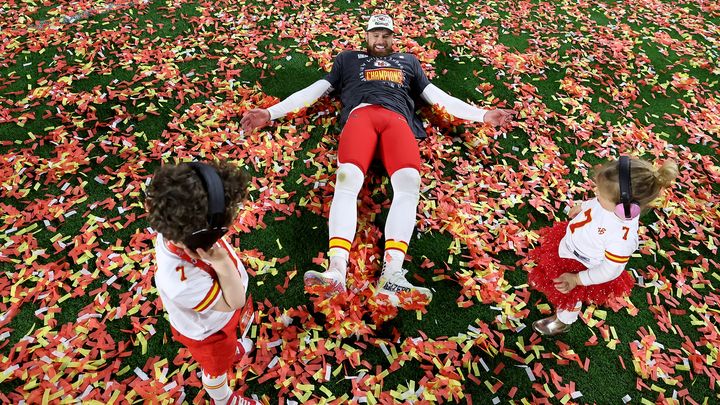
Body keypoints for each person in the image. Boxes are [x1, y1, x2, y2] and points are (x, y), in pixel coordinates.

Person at [241, 14, 516, 305]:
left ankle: (393, 276)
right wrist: (271, 113)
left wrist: (482, 115)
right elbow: (315, 90)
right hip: (362, 115)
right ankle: (335, 270)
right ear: (367, 36)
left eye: (386, 35)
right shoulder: (347, 59)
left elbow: (438, 97)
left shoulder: (409, 62)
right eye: (376, 34)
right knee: (346, 180)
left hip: (398, 121)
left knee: (410, 185)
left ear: (393, 37)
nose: (381, 40)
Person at [146, 161, 260, 405]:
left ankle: (231, 352)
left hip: (217, 319)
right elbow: (235, 300)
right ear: (203, 237)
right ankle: (223, 399)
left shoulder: (174, 222)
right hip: (209, 333)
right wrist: (222, 263)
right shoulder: (182, 281)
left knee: (227, 351)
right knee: (216, 369)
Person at [528, 156, 678, 336]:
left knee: (569, 293)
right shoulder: (611, 203)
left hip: (581, 265)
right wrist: (584, 206)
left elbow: (610, 270)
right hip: (571, 244)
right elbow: (596, 204)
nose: (596, 194)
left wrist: (576, 280)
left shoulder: (622, 239)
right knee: (552, 272)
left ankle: (563, 321)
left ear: (626, 207)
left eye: (600, 194)